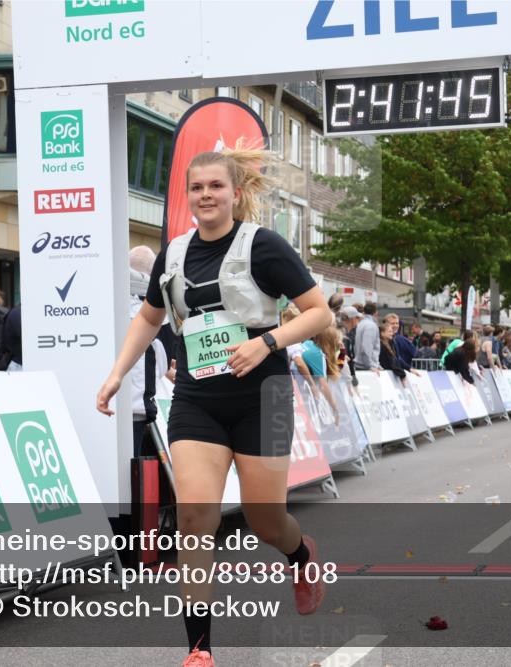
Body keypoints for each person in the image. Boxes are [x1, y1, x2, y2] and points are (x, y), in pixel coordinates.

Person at [95, 146, 332, 667]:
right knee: (195, 516)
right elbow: (150, 317)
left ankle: (300, 555)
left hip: (262, 398)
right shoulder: (173, 254)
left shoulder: (263, 246)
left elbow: (318, 313)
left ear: (235, 193)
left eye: (216, 186)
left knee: (265, 519)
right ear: (188, 195)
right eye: (197, 187)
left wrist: (267, 342)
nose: (206, 195)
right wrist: (117, 373)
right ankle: (199, 649)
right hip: (197, 401)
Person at [129, 246, 170, 451]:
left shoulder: (109, 303)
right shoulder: (159, 312)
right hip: (137, 406)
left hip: (104, 402)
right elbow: (163, 364)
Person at [353, 301, 380, 371]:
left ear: (364, 311)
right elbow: (366, 348)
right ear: (375, 312)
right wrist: (371, 366)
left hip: (362, 365)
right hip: (367, 367)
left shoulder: (361, 324)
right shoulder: (371, 326)